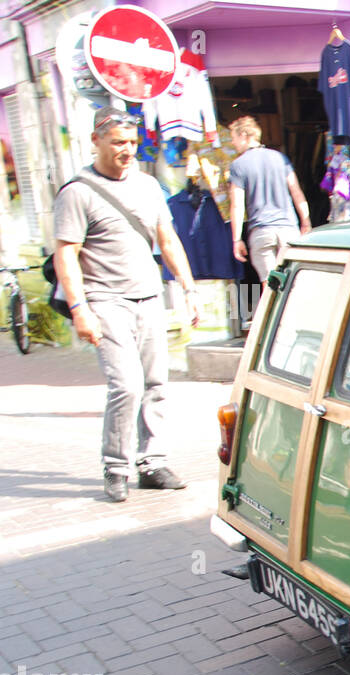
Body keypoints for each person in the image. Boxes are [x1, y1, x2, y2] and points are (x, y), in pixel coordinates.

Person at [53, 106, 202, 502]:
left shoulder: (149, 185)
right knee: (127, 385)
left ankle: (152, 462)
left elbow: (167, 240)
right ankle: (116, 466)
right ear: (96, 141)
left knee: (156, 384)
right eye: (118, 142)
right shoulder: (78, 191)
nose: (127, 150)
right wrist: (79, 308)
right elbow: (66, 254)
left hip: (148, 295)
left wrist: (188, 289)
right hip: (104, 299)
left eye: (133, 142)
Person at [228, 116, 311, 284]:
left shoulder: (238, 165)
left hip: (261, 231)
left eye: (234, 138)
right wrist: (306, 222)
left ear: (244, 135)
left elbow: (237, 205)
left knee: (270, 287)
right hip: (288, 229)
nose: (233, 143)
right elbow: (296, 192)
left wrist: (236, 239)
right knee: (294, 283)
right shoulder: (280, 158)